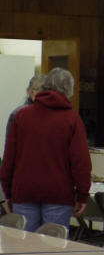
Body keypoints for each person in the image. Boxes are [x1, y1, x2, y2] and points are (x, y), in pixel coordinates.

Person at [0, 68, 91, 232]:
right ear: (69, 90)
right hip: (58, 194)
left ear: (45, 86)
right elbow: (81, 162)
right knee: (53, 244)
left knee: (25, 243)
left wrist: (7, 191)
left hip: (24, 191)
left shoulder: (22, 116)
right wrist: (82, 194)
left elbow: (9, 158)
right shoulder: (72, 120)